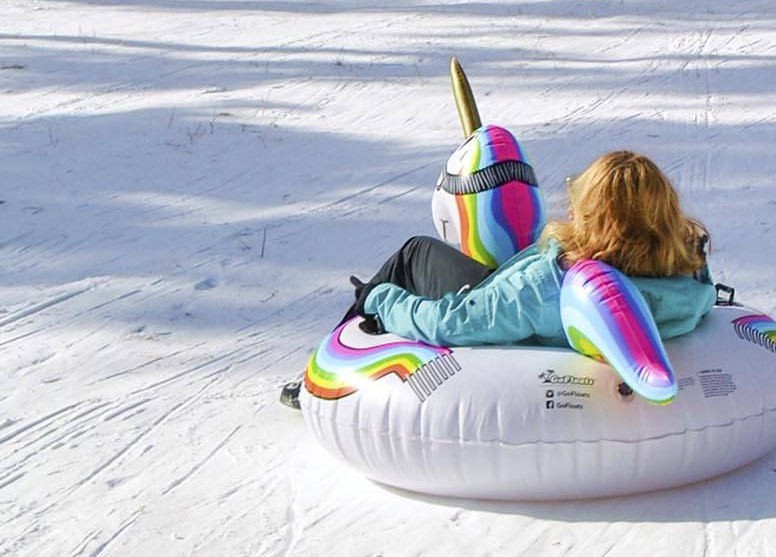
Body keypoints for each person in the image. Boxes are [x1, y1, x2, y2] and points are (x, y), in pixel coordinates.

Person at [281, 152, 716, 403]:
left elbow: (447, 323)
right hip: (549, 293)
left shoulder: (549, 286)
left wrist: (383, 299)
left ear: (595, 217)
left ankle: (317, 384)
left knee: (414, 254)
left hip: (500, 314)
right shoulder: (686, 268)